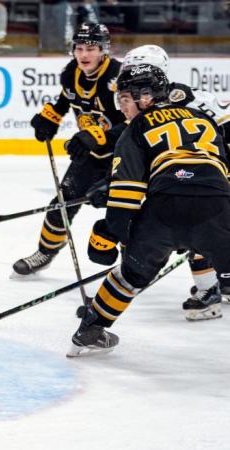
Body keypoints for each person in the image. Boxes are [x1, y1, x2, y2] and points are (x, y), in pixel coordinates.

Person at [68, 64, 230, 356]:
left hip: (162, 213)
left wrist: (110, 232)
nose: (122, 109)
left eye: (125, 101)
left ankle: (89, 331)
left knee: (130, 275)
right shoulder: (204, 118)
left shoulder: (136, 129)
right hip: (216, 210)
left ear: (145, 98)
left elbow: (126, 196)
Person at [117, 44, 230, 318]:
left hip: (213, 174)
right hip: (197, 176)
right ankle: (208, 288)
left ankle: (210, 288)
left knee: (199, 216)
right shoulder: (147, 100)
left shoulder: (189, 99)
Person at [12, 22, 125, 276]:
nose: (84, 55)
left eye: (91, 48)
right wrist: (50, 116)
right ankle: (45, 252)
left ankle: (133, 259)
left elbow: (132, 122)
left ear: (104, 50)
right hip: (91, 155)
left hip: (124, 160)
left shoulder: (118, 78)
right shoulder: (70, 73)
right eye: (79, 48)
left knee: (121, 211)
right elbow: (66, 100)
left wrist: (98, 135)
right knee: (60, 205)